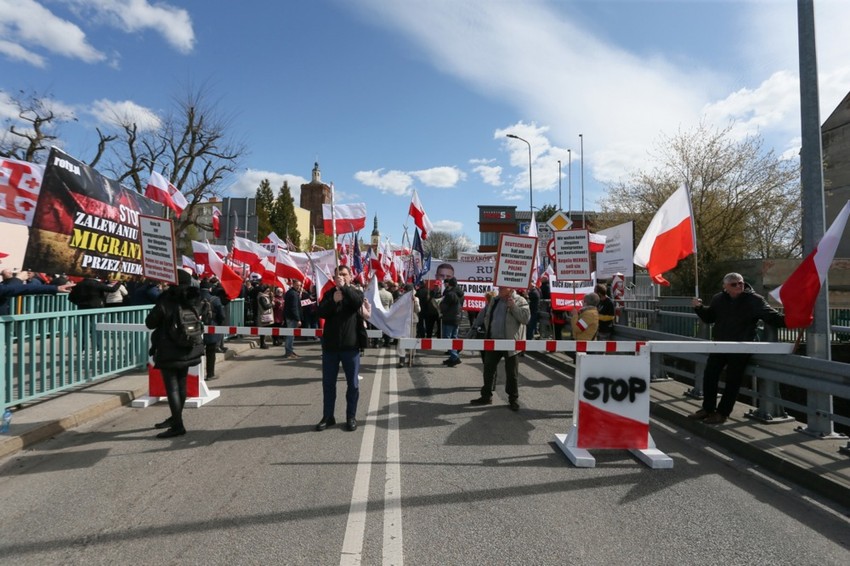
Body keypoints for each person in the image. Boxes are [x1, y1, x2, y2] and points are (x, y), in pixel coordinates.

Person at [690, 273, 785, 425]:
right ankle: (707, 409)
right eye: (734, 284)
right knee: (709, 376)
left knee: (732, 381)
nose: (739, 286)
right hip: (720, 345)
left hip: (741, 347)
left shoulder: (754, 300)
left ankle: (722, 413)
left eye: (741, 283)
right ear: (725, 286)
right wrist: (699, 308)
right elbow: (710, 318)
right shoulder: (718, 299)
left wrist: (795, 318)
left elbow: (773, 318)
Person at [145, 269, 205, 438]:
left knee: (172, 387)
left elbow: (150, 323)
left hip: (169, 347)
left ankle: (178, 425)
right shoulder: (194, 297)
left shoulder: (166, 299)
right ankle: (175, 417)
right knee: (182, 383)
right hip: (189, 346)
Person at [316, 265, 364, 432]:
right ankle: (328, 416)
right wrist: (333, 301)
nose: (341, 277)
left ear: (350, 276)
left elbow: (357, 303)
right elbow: (321, 312)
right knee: (328, 384)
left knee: (353, 384)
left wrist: (345, 289)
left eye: (344, 274)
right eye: (338, 275)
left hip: (350, 347)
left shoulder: (355, 292)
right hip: (331, 347)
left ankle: (351, 416)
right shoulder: (330, 294)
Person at [470, 286, 530, 410]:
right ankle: (486, 396)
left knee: (512, 373)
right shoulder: (495, 300)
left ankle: (513, 399)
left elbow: (525, 319)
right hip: (493, 341)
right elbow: (487, 316)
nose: (500, 289)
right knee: (488, 369)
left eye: (503, 287)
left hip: (510, 343)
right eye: (500, 287)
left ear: (510, 288)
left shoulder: (520, 300)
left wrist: (513, 307)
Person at [199, 280, 226, 381]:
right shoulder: (215, 299)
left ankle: (195, 376)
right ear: (210, 289)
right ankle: (210, 374)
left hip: (196, 329)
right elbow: (222, 315)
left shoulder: (194, 298)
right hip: (211, 327)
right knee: (210, 352)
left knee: (196, 352)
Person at [439, 277, 465, 367]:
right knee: (454, 337)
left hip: (449, 318)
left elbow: (444, 307)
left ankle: (454, 356)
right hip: (457, 317)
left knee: (447, 338)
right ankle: (454, 355)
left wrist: (440, 304)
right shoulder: (461, 294)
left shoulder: (450, 294)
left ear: (449, 284)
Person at [397, 283, 421, 367]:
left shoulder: (416, 298)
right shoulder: (402, 299)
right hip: (403, 321)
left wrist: (415, 302)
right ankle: (402, 359)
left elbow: (418, 310)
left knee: (412, 340)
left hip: (412, 321)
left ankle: (411, 357)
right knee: (401, 340)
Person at [283, 279, 303, 358]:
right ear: (293, 284)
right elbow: (294, 308)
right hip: (292, 318)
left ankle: (290, 351)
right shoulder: (293, 294)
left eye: (300, 285)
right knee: (290, 335)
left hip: (289, 317)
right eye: (297, 285)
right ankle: (289, 352)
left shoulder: (290, 292)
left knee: (290, 335)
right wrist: (298, 319)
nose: (299, 287)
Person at [256, 284, 274, 349]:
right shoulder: (262, 297)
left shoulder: (265, 296)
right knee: (263, 330)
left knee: (264, 329)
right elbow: (265, 306)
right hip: (264, 315)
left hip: (266, 315)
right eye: (267, 291)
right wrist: (271, 304)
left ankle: (263, 343)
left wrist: (271, 298)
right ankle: (262, 344)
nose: (268, 292)